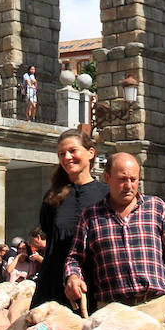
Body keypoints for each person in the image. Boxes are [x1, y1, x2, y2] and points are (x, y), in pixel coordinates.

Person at [64, 152, 165, 330]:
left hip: (153, 310)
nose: (129, 185)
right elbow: (74, 258)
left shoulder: (156, 208)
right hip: (111, 314)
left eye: (134, 179)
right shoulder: (90, 216)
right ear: (107, 178)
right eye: (122, 179)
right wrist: (72, 277)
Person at [33, 129, 110, 308]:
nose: (67, 157)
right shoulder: (52, 198)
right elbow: (49, 234)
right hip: (55, 285)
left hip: (97, 286)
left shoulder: (107, 195)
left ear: (91, 153)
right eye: (62, 154)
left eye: (72, 151)